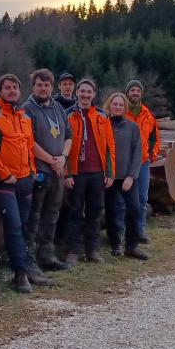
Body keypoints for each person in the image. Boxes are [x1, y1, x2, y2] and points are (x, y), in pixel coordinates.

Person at [0, 73, 48, 293]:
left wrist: (32, 172)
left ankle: (24, 266)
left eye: (15, 87)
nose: (12, 91)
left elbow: (29, 146)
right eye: (7, 88)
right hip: (5, 181)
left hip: (25, 179)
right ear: (0, 91)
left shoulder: (24, 116)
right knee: (13, 225)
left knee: (22, 225)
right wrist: (3, 173)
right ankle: (20, 274)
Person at [22, 68, 72, 275]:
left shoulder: (59, 108)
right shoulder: (27, 109)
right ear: (33, 86)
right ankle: (30, 259)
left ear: (52, 86)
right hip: (39, 172)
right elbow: (28, 141)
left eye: (47, 85)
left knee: (52, 215)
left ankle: (47, 255)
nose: (43, 88)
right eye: (39, 85)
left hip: (58, 171)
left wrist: (63, 158)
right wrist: (51, 159)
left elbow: (68, 136)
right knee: (33, 216)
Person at [63, 78, 116, 266]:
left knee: (95, 211)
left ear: (94, 94)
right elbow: (63, 146)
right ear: (77, 93)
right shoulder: (67, 115)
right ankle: (73, 251)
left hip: (97, 172)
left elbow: (110, 146)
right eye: (82, 91)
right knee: (75, 211)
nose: (85, 95)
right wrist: (66, 173)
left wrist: (110, 172)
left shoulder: (102, 116)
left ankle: (92, 250)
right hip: (77, 172)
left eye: (89, 92)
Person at [102, 92, 149, 261]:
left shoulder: (132, 127)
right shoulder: (103, 124)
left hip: (127, 177)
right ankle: (115, 244)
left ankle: (132, 246)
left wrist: (131, 176)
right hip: (109, 177)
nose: (118, 107)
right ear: (109, 105)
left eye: (121, 105)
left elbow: (137, 153)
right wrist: (107, 174)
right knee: (111, 211)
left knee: (134, 209)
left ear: (125, 107)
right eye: (115, 104)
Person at [124, 79, 160, 243]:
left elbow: (155, 138)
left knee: (142, 198)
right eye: (132, 90)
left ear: (141, 94)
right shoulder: (121, 111)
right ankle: (124, 232)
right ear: (127, 93)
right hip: (124, 163)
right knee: (123, 199)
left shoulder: (149, 114)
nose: (135, 93)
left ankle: (139, 231)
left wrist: (152, 155)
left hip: (143, 162)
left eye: (138, 91)